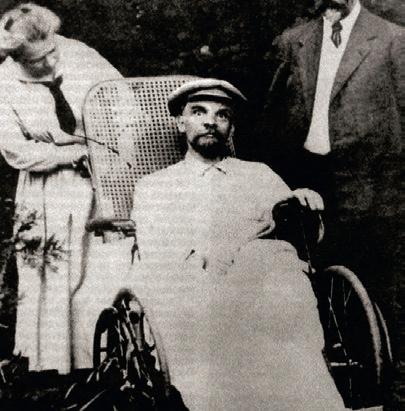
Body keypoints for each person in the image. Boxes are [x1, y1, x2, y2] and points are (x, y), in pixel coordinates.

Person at [130, 78, 346, 410]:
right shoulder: (156, 186)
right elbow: (157, 252)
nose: (210, 122)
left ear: (231, 128)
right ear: (180, 122)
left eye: (222, 115)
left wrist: (302, 202)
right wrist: (211, 259)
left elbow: (298, 234)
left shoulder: (258, 175)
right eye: (199, 112)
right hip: (194, 292)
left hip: (261, 293)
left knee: (278, 268)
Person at [0, 3, 129, 373]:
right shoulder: (4, 84)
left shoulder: (81, 55)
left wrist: (108, 148)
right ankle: (53, 365)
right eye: (37, 60)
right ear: (16, 57)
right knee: (53, 270)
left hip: (102, 175)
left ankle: (106, 357)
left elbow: (124, 103)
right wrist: (69, 155)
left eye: (52, 51)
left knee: (101, 264)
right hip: (48, 187)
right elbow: (16, 151)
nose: (50, 62)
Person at [262, 0, 403, 331]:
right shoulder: (292, 41)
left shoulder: (393, 39)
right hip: (308, 182)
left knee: (376, 297)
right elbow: (270, 118)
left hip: (373, 187)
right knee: (312, 291)